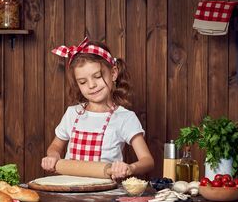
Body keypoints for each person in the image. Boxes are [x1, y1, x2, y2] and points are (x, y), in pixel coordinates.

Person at [41, 37, 154, 180]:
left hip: (104, 194)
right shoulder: (72, 114)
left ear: (113, 73)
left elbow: (147, 161)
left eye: (97, 76)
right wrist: (52, 156)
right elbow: (55, 146)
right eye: (83, 82)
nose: (91, 85)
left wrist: (130, 168)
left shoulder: (125, 118)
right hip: (69, 191)